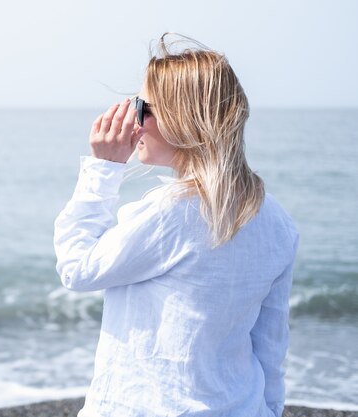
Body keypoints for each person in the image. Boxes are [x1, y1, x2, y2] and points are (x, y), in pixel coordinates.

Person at [53, 33, 299, 417]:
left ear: (183, 118)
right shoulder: (275, 219)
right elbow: (271, 344)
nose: (133, 123)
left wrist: (103, 168)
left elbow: (77, 268)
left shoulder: (172, 212)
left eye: (142, 107)